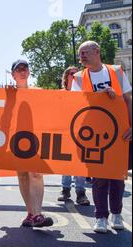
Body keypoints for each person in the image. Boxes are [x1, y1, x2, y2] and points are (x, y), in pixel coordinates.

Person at [72, 41, 132, 234]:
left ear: (97, 52)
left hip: (119, 133)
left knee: (117, 177)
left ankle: (116, 214)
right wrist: (99, 96)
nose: (81, 56)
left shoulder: (116, 71)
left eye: (85, 52)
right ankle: (100, 217)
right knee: (99, 178)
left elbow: (128, 99)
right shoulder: (79, 78)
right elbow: (74, 106)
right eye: (80, 53)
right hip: (93, 136)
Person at [11, 60, 54, 228]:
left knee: (35, 173)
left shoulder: (39, 92)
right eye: (18, 69)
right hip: (15, 140)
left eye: (25, 68)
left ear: (29, 73)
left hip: (35, 139)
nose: (22, 71)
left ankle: (37, 214)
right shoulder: (6, 93)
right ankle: (30, 213)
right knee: (22, 175)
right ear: (13, 74)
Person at [57, 67, 90, 206]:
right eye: (73, 73)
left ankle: (80, 192)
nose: (76, 75)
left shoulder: (85, 93)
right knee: (66, 163)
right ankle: (65, 189)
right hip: (64, 133)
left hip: (80, 133)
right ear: (66, 77)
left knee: (80, 164)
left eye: (78, 73)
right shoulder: (60, 94)